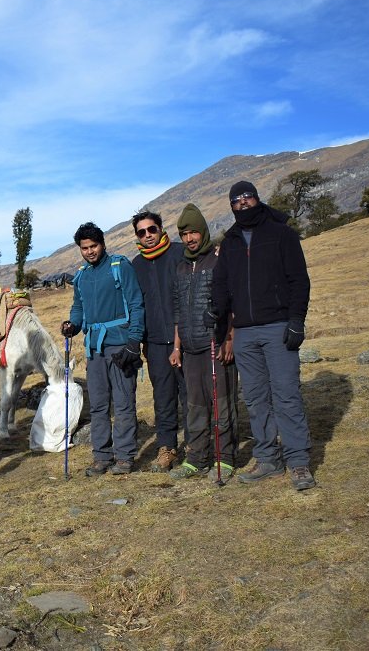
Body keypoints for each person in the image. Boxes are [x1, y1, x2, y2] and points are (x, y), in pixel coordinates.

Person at [209, 181, 316, 490]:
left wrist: (296, 321)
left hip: (277, 327)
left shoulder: (281, 233)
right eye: (236, 201)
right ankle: (267, 458)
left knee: (286, 395)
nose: (243, 204)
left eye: (247, 198)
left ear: (257, 199)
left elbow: (299, 280)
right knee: (255, 398)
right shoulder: (229, 242)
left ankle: (298, 462)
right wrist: (216, 315)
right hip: (243, 332)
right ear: (231, 206)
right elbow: (220, 284)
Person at [61, 222, 146, 476]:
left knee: (123, 403)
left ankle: (124, 457)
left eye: (93, 246)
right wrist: (72, 325)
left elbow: (136, 303)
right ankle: (101, 456)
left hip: (121, 345)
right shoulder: (82, 276)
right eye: (84, 248)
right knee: (98, 405)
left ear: (103, 243)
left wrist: (134, 341)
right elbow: (78, 307)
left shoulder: (120, 266)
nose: (89, 251)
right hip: (94, 350)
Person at [168, 204, 239, 482]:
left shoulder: (219, 260)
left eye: (193, 232)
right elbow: (177, 310)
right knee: (195, 407)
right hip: (190, 349)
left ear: (203, 232)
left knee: (222, 404)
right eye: (184, 234)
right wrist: (176, 346)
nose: (189, 239)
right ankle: (197, 458)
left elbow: (232, 303)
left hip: (216, 345)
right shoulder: (181, 267)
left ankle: (227, 458)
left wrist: (229, 339)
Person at [130, 210, 188, 472]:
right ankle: (167, 448)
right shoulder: (136, 265)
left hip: (185, 338)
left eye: (151, 229)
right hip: (154, 343)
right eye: (141, 232)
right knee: (163, 398)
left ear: (161, 229)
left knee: (192, 396)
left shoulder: (180, 253)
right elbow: (134, 306)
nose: (148, 236)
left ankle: (200, 445)